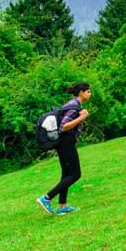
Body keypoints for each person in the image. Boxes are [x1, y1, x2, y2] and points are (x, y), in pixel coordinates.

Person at [36, 82, 91, 215]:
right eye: (88, 91)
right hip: (66, 143)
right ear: (81, 93)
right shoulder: (74, 107)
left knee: (66, 174)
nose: (90, 94)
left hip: (63, 142)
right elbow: (64, 126)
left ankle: (62, 206)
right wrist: (82, 117)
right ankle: (46, 198)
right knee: (75, 174)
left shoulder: (72, 104)